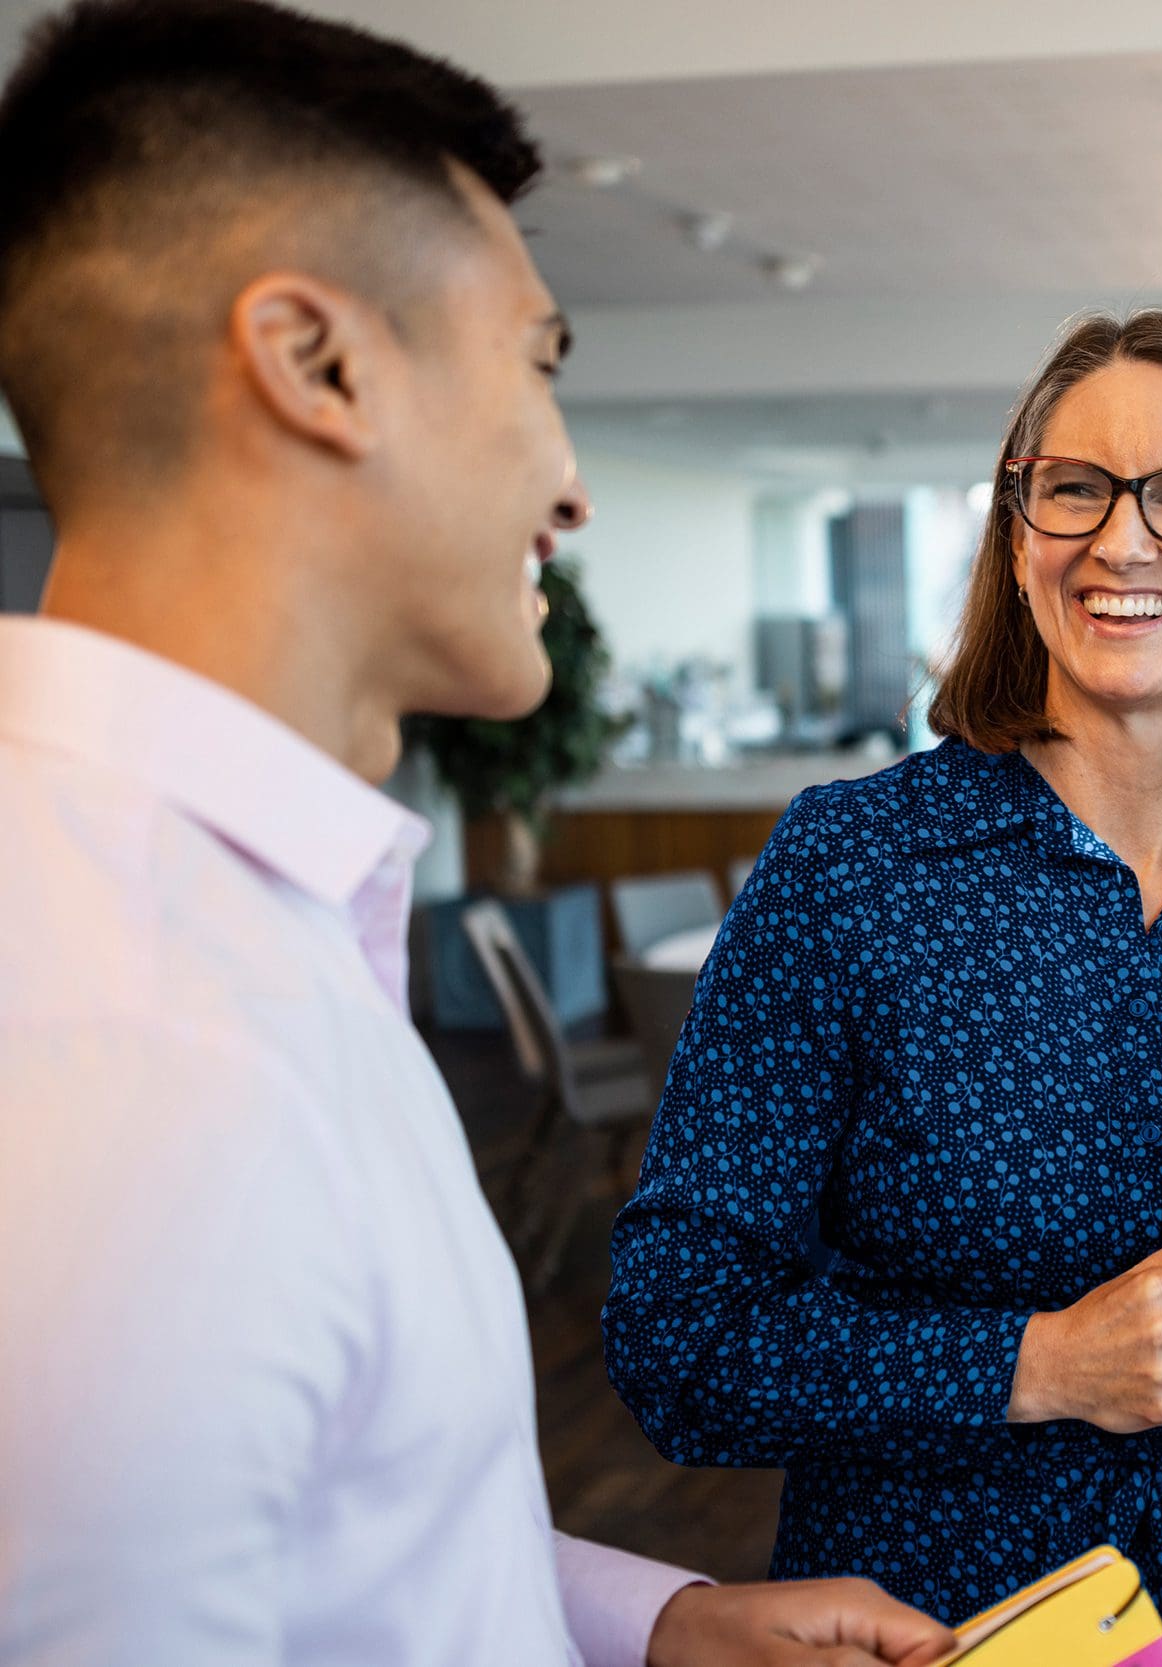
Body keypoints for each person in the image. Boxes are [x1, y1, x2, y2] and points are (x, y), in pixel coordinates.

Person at [0, 5, 955, 1664]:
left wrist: (660, 1621)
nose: (573, 485)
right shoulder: (130, 1047)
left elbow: (357, 1534)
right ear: (319, 364)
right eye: (536, 358)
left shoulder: (240, 931)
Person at [602, 310, 1162, 1667]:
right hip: (931, 1627)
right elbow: (678, 1340)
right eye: (1074, 488)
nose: (1120, 541)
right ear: (1020, 541)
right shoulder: (852, 866)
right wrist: (1040, 1361)